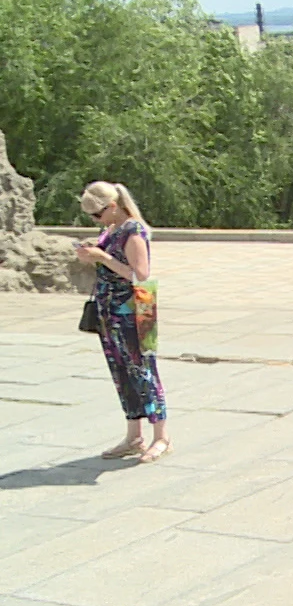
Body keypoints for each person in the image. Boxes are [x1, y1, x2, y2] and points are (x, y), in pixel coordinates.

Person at [78, 181, 170, 463]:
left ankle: (161, 436)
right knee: (121, 371)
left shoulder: (133, 230)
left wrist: (102, 257)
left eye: (97, 214)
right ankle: (134, 435)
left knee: (142, 369)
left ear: (113, 207)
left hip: (132, 310)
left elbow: (140, 274)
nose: (95, 220)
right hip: (110, 312)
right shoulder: (111, 229)